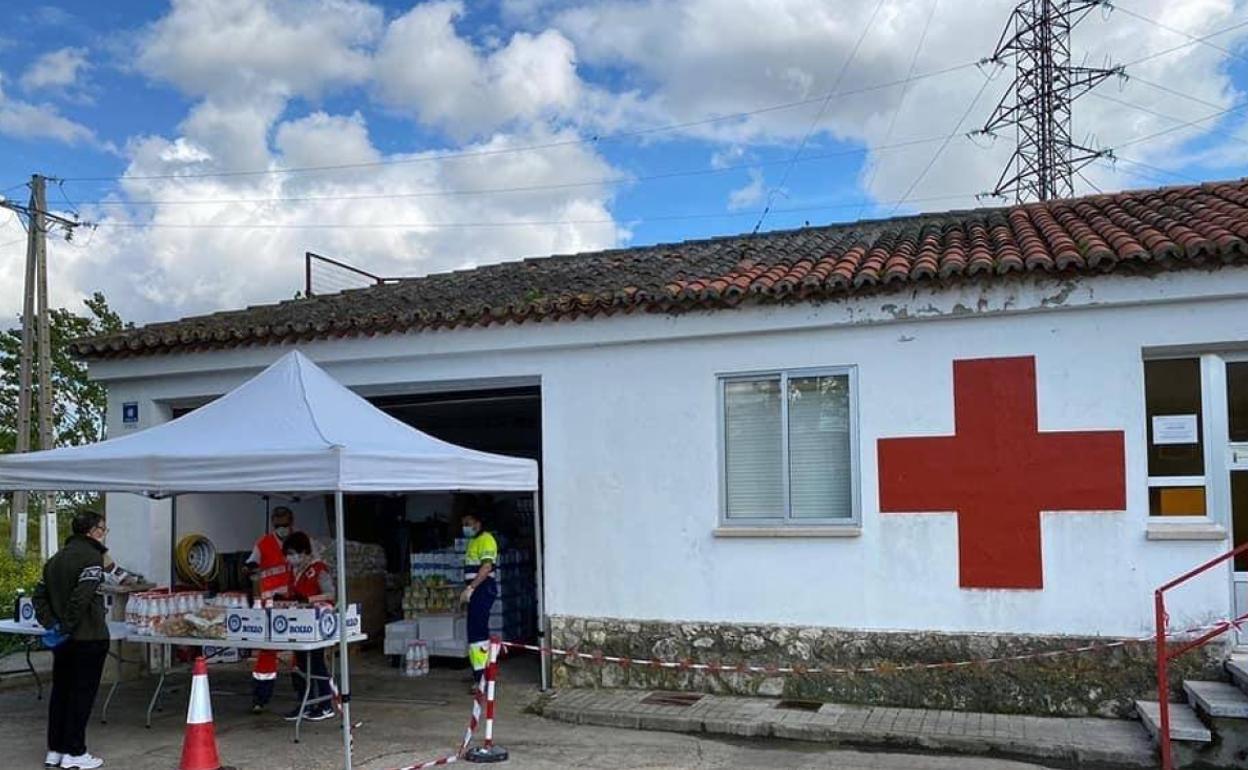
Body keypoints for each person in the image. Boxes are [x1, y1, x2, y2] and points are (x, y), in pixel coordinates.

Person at [31, 511, 111, 770]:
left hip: (63, 641)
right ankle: (75, 752)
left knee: (62, 693)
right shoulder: (92, 558)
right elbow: (82, 598)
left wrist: (52, 625)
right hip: (88, 637)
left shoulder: (54, 560)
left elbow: (38, 597)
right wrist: (66, 625)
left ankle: (55, 749)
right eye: (103, 528)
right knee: (81, 695)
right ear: (91, 531)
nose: (104, 533)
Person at [244, 506, 295, 712]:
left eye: (285, 525)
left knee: (300, 651)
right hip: (270, 605)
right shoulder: (263, 543)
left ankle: (304, 694)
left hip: (293, 603)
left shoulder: (299, 541)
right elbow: (251, 565)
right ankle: (260, 698)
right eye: (278, 525)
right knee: (267, 653)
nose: (282, 528)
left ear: (291, 522)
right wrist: (249, 569)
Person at [282, 531, 336, 722]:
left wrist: (309, 599)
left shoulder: (318, 570)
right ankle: (306, 702)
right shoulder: (293, 571)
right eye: (287, 554)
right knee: (301, 665)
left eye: (292, 553)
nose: (290, 558)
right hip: (298, 624)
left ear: (304, 552)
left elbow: (330, 594)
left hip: (316, 624)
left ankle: (325, 704)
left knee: (316, 663)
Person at [459, 511, 499, 689]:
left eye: (468, 523)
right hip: (477, 590)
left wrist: (471, 587)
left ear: (478, 522)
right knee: (475, 632)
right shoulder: (473, 541)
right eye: (463, 524)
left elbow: (486, 566)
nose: (465, 527)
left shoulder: (486, 539)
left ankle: (482, 677)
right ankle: (479, 674)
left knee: (478, 633)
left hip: (483, 589)